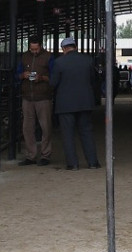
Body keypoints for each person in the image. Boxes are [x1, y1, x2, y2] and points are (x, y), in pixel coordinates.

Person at [50, 36, 100, 170]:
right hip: (85, 101)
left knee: (68, 134)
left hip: (65, 103)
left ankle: (73, 164)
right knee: (87, 132)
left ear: (64, 49)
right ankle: (92, 162)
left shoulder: (59, 62)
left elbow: (53, 83)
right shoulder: (88, 60)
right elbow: (93, 80)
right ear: (75, 47)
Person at [16, 36, 53, 165]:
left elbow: (53, 76)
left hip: (43, 97)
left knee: (45, 127)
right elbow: (17, 73)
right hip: (27, 97)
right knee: (27, 128)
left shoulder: (49, 57)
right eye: (31, 49)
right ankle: (30, 155)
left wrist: (41, 78)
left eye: (36, 49)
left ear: (41, 46)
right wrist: (22, 75)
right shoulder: (24, 56)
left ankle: (45, 155)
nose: (34, 51)